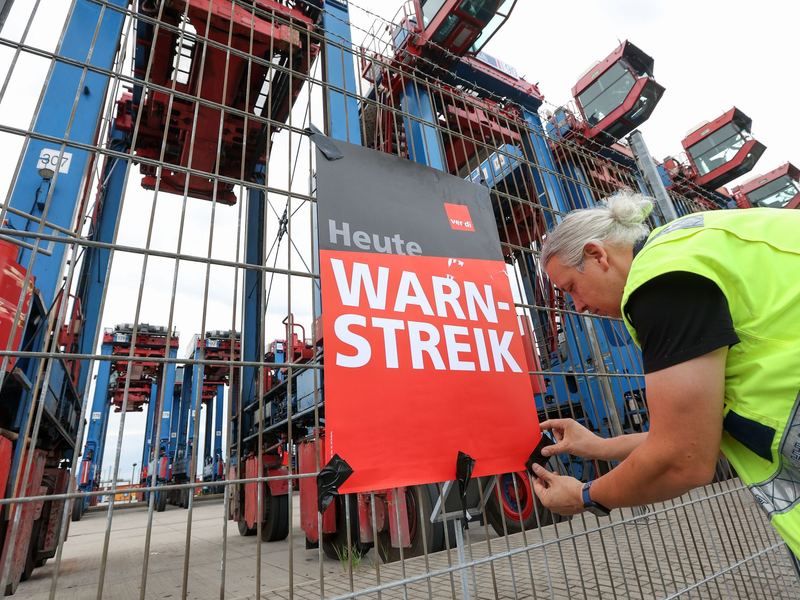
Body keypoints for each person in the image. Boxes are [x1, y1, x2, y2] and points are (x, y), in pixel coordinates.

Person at [530, 191, 800, 554]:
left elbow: (684, 459)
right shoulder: (690, 244)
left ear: (597, 255)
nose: (577, 306)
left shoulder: (660, 278)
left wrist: (585, 495)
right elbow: (701, 437)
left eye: (571, 288)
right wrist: (601, 447)